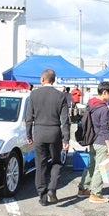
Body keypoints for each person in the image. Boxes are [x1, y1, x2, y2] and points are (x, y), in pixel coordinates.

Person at [26, 69, 71, 206]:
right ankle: (52, 188)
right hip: (54, 133)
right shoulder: (61, 96)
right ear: (54, 80)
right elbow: (65, 120)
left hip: (39, 132)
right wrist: (66, 139)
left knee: (40, 164)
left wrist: (28, 134)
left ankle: (42, 196)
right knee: (56, 162)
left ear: (42, 79)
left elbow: (29, 118)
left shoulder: (34, 94)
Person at [77, 81, 109, 203]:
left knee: (91, 165)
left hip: (92, 140)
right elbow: (104, 128)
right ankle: (95, 194)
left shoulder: (91, 103)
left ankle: (83, 189)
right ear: (105, 92)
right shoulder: (103, 108)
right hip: (101, 141)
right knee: (100, 168)